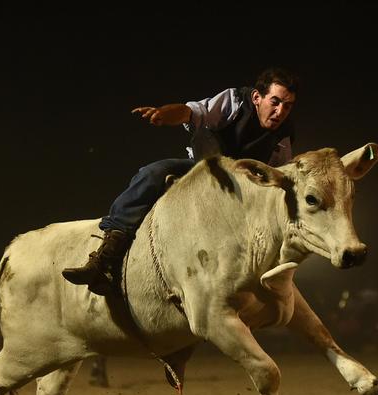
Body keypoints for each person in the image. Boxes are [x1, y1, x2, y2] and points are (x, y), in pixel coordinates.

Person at [62, 67, 299, 295]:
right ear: (257, 97)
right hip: (203, 170)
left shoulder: (283, 135)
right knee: (152, 173)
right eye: (275, 102)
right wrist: (166, 113)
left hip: (242, 191)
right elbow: (193, 112)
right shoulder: (235, 101)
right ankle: (107, 257)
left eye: (287, 106)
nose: (280, 112)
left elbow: (278, 176)